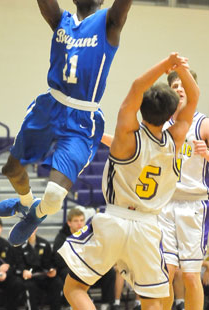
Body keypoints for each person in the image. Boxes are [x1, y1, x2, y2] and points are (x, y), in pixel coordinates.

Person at [0, 0, 153, 247]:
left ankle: (35, 212)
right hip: (49, 105)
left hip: (82, 117)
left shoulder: (109, 24)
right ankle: (24, 204)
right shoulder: (62, 21)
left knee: (53, 196)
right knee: (11, 171)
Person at [57, 52, 199, 310]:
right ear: (170, 113)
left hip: (115, 219)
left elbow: (136, 87)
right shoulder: (176, 139)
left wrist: (165, 65)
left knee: (74, 288)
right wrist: (182, 69)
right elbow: (194, 98)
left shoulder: (126, 136)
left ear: (141, 107)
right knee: (152, 300)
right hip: (148, 226)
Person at [158, 70, 209, 310]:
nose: (180, 88)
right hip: (164, 205)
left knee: (190, 275)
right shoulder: (159, 124)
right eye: (175, 85)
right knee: (165, 273)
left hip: (194, 205)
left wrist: (207, 154)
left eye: (184, 85)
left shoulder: (203, 123)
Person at [53, 207, 116, 310]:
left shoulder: (89, 234)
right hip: (69, 268)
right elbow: (59, 260)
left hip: (89, 266)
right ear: (69, 223)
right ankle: (82, 302)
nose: (79, 223)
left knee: (110, 272)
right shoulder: (61, 237)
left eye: (82, 220)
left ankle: (107, 304)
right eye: (76, 221)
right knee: (75, 274)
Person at [13, 228, 62, 310]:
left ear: (36, 228)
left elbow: (48, 262)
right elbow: (18, 263)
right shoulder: (18, 245)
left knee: (57, 283)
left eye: (33, 227)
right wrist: (23, 271)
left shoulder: (44, 243)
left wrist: (51, 269)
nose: (31, 230)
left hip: (43, 276)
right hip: (28, 278)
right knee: (30, 286)